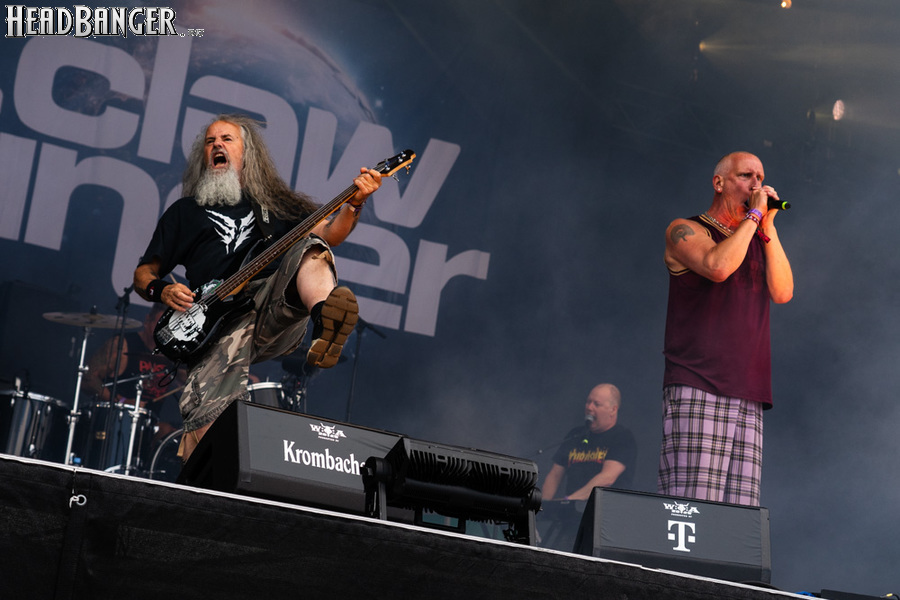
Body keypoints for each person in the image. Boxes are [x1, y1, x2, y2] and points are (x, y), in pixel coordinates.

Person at [134, 113, 381, 463]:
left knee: (312, 248)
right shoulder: (185, 212)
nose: (216, 145)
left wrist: (355, 202)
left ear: (247, 153)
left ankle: (325, 319)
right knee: (206, 420)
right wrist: (161, 291)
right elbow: (143, 273)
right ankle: (210, 485)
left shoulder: (275, 207)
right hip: (211, 324)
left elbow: (331, 234)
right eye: (210, 141)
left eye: (226, 139)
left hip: (267, 307)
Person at [657, 151, 793, 507]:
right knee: (694, 505)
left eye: (760, 178)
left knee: (739, 515)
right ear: (719, 183)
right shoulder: (685, 229)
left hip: (749, 388)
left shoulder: (756, 236)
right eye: (746, 176)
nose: (756, 185)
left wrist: (768, 227)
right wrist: (753, 217)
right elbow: (717, 266)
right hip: (699, 381)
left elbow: (783, 292)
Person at [81, 303, 183, 466]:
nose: (165, 330)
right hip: (114, 422)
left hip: (148, 427)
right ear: (147, 321)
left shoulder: (173, 354)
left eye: (170, 326)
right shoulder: (122, 345)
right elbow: (88, 379)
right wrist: (121, 401)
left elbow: (191, 381)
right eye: (161, 323)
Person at [541, 383, 637, 502]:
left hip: (606, 510)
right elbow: (555, 475)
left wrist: (569, 500)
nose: (589, 407)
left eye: (596, 404)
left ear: (613, 410)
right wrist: (542, 506)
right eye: (588, 402)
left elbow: (607, 478)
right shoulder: (575, 435)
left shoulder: (622, 437)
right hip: (572, 510)